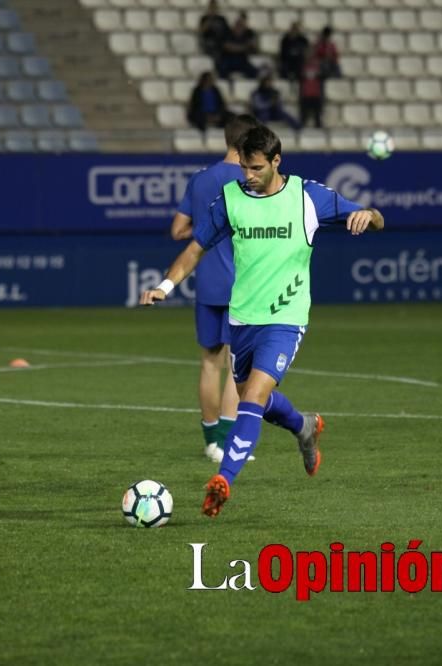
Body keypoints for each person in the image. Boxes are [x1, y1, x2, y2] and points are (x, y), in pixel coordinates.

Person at [141, 126, 384, 517]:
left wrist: (368, 216)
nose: (248, 175)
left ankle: (224, 479)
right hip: (243, 319)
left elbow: (375, 217)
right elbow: (195, 248)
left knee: (249, 398)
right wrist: (165, 286)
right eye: (244, 167)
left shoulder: (308, 197)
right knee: (259, 399)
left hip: (286, 319)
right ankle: (303, 426)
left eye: (256, 168)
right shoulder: (232, 199)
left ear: (276, 161)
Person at [170, 114, 261, 463]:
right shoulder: (248, 179)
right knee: (238, 364)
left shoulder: (200, 179)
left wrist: (206, 232)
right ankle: (227, 441)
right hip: (242, 285)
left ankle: (210, 441)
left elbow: (179, 230)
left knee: (210, 362)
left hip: (207, 282)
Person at [217, 12, 259, 80]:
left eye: (241, 26)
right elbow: (228, 47)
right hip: (228, 60)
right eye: (238, 25)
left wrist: (240, 47)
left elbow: (253, 47)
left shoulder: (247, 34)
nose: (239, 28)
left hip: (242, 60)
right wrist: (244, 47)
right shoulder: (227, 33)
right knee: (222, 69)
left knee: (254, 72)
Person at [299, 47, 324, 128]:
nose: (309, 55)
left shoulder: (317, 64)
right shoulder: (303, 65)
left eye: (310, 53)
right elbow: (301, 76)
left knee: (317, 113)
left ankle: (318, 126)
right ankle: (302, 126)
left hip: (315, 92)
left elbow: (321, 75)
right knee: (304, 113)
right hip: (306, 92)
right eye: (307, 54)